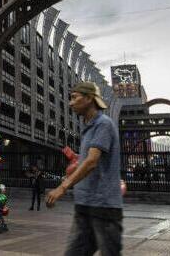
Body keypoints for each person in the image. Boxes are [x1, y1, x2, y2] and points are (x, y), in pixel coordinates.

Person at [46, 82, 122, 256]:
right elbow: (86, 162)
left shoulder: (103, 124)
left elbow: (91, 161)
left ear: (88, 98)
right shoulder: (88, 129)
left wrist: (62, 187)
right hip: (84, 205)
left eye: (74, 98)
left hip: (103, 207)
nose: (70, 103)